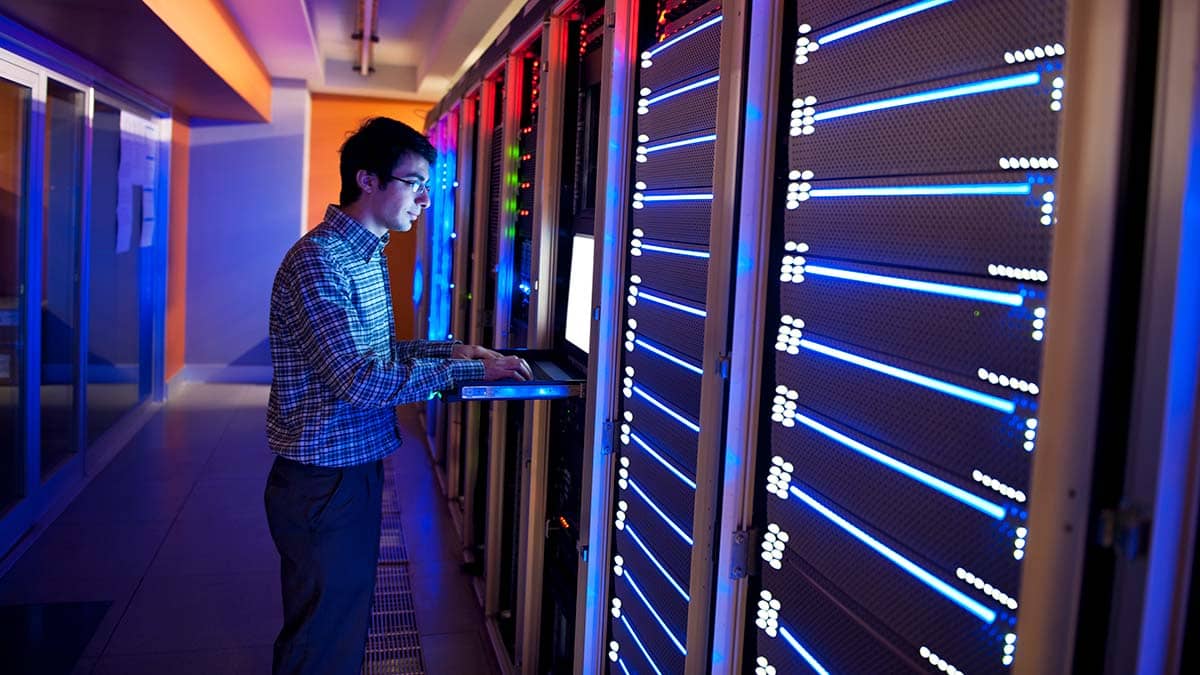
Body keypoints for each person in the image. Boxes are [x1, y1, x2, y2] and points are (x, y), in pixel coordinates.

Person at [263, 116, 531, 675]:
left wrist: (454, 354)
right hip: (323, 479)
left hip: (350, 467)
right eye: (414, 184)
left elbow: (377, 356)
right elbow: (358, 381)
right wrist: (464, 377)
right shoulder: (320, 263)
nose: (425, 201)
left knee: (341, 623)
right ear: (367, 180)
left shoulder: (365, 253)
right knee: (322, 635)